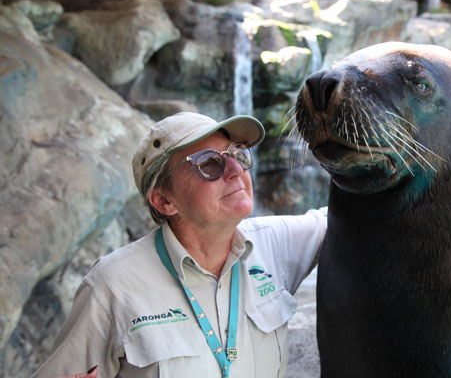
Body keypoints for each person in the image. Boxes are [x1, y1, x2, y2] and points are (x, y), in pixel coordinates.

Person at [34, 112, 327, 378]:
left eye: (237, 154)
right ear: (164, 200)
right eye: (210, 163)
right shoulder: (112, 287)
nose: (235, 169)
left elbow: (351, 215)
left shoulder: (275, 242)